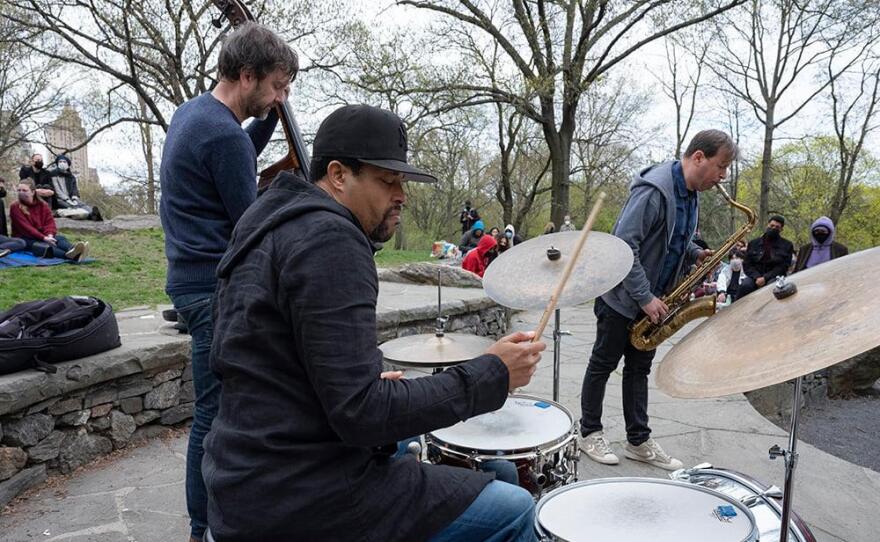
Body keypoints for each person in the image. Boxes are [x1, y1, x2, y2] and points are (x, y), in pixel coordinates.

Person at [202, 104, 545, 541]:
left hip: (243, 477)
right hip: (299, 496)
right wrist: (492, 373)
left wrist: (362, 379)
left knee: (484, 470)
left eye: (401, 181)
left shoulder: (267, 223)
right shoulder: (331, 240)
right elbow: (361, 415)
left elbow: (267, 361)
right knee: (515, 508)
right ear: (339, 174)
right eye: (387, 180)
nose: (401, 194)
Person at [158, 21, 297, 542]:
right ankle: (203, 528)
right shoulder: (222, 136)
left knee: (217, 410)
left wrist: (271, 118)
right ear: (246, 74)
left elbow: (239, 149)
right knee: (213, 416)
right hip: (212, 290)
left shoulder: (196, 113)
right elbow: (251, 225)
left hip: (189, 282)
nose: (281, 97)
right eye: (277, 87)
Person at [579, 129, 731, 470]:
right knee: (603, 365)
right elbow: (624, 246)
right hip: (621, 297)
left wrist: (694, 253)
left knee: (638, 371)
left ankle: (638, 440)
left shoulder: (692, 195)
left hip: (655, 301)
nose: (724, 175)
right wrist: (645, 296)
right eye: (721, 166)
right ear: (698, 158)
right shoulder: (653, 190)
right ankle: (589, 432)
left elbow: (672, 238)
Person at [9, 179, 89, 261]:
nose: (21, 192)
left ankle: (74, 250)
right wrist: (44, 238)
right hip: (24, 238)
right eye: (19, 190)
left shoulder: (43, 205)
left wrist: (50, 235)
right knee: (43, 247)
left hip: (42, 235)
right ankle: (70, 256)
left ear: (32, 192)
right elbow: (26, 228)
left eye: (24, 190)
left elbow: (50, 223)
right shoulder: (15, 207)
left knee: (59, 239)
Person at [737, 215, 794, 299]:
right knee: (745, 286)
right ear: (767, 225)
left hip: (774, 276)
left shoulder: (787, 245)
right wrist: (757, 277)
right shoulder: (754, 243)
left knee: (772, 288)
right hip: (755, 276)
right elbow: (747, 264)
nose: (773, 228)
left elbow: (783, 267)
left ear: (781, 229)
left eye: (777, 227)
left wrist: (765, 278)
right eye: (772, 226)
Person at [46, 155, 102, 221]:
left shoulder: (71, 176)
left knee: (82, 204)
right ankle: (89, 215)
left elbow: (74, 189)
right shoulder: (53, 174)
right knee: (72, 206)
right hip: (58, 199)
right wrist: (67, 199)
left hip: (71, 198)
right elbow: (57, 190)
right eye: (60, 161)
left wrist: (74, 198)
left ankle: (93, 214)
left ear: (68, 164)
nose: (62, 163)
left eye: (64, 162)